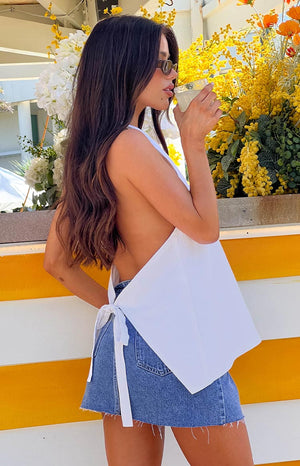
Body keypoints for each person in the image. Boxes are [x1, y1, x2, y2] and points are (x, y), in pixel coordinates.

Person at [44, 15, 261, 466]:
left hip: (123, 343)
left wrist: (121, 311)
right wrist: (194, 142)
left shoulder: (91, 151)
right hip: (174, 338)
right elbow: (204, 229)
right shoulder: (131, 145)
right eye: (161, 65)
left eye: (171, 63)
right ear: (125, 67)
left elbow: (56, 264)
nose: (173, 75)